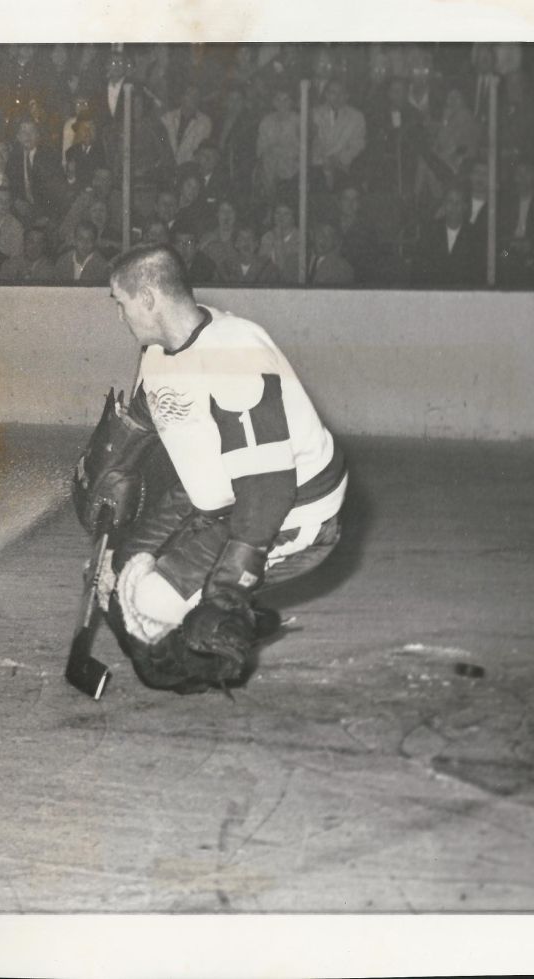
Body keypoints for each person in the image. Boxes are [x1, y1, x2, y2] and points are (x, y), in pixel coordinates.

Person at [73, 243, 345, 693]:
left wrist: (228, 589)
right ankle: (196, 635)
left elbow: (268, 489)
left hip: (294, 513)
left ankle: (228, 636)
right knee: (123, 588)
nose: (120, 317)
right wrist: (109, 466)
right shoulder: (159, 351)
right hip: (221, 498)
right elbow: (146, 417)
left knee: (156, 606)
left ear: (148, 299)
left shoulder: (234, 352)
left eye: (120, 304)